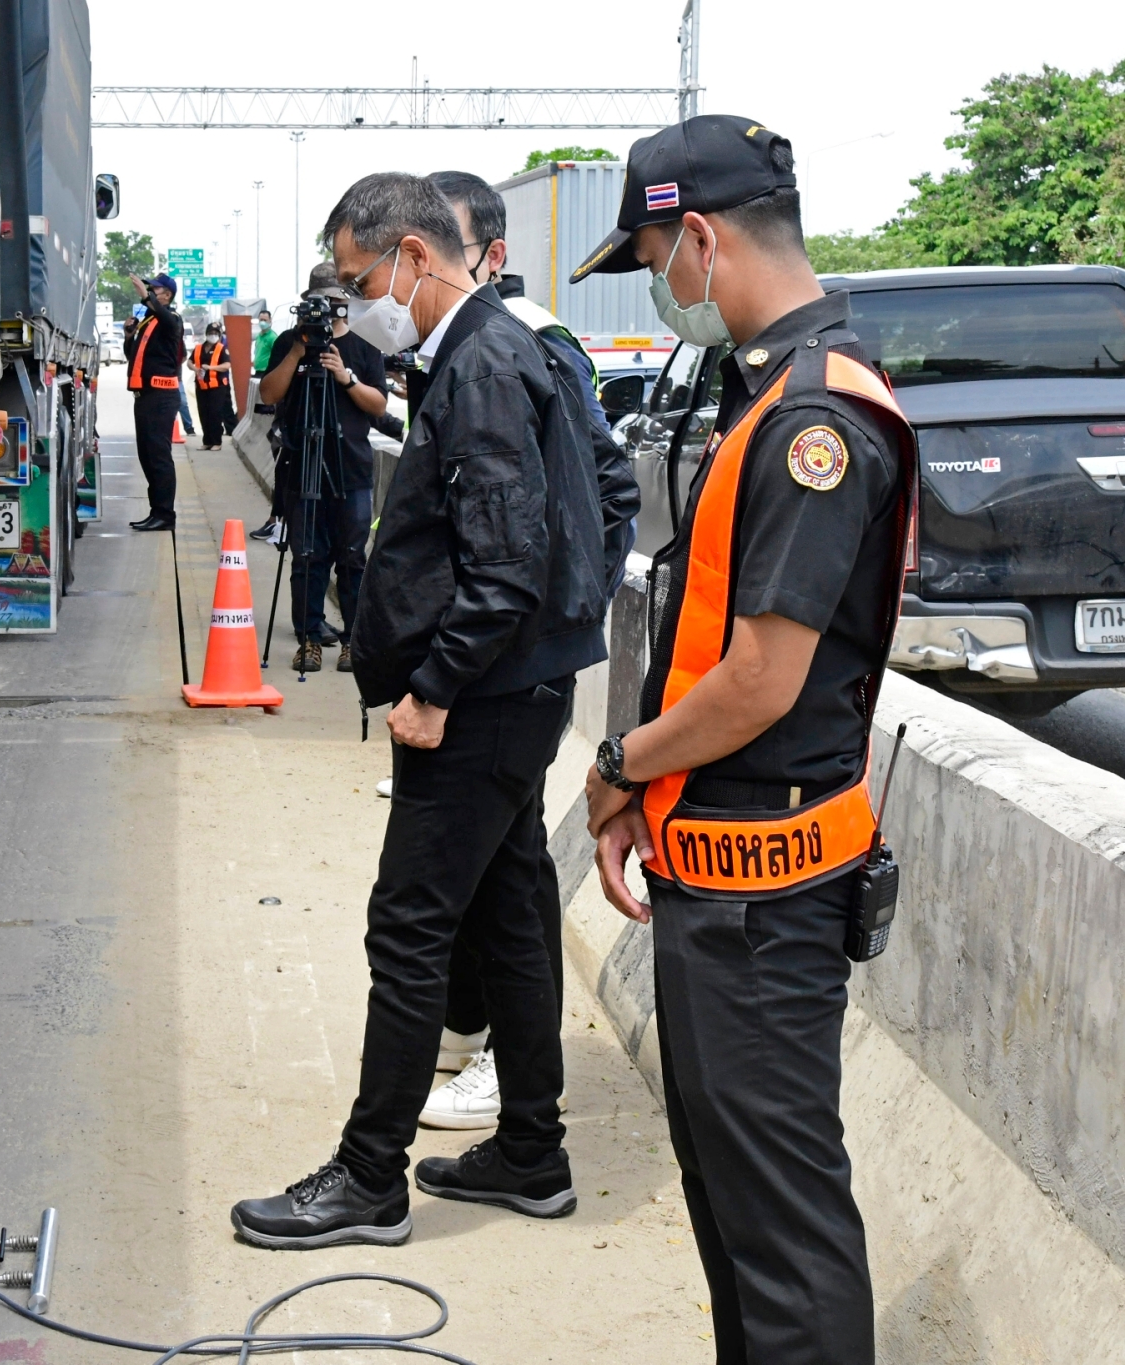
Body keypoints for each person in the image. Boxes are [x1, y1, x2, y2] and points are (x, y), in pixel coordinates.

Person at [229, 171, 635, 1250]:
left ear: (411, 257)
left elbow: (501, 567)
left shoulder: (484, 363)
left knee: (406, 928)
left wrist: (433, 688)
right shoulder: (489, 351)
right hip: (515, 686)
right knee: (507, 912)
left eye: (360, 279)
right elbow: (588, 503)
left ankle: (368, 1179)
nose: (359, 301)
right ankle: (530, 1153)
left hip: (481, 699)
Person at [580, 117, 913, 1365]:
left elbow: (760, 681)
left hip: (765, 895)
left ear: (702, 237)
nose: (663, 285)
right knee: (735, 1208)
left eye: (656, 254)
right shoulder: (772, 390)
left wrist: (618, 766)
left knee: (780, 1234)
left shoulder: (811, 421)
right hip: (719, 876)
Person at [413, 171, 635, 1134]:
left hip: (516, 661)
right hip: (485, 654)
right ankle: (470, 1026)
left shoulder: (532, 345)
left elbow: (605, 490)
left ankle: (510, 1062)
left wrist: (551, 624)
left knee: (510, 870)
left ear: (487, 256)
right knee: (494, 862)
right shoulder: (456, 346)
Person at [258, 263, 388, 673]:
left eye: (334, 303)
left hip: (350, 469)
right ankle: (309, 638)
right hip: (301, 467)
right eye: (319, 304)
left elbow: (379, 406)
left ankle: (352, 640)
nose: (328, 312)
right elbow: (267, 393)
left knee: (352, 558)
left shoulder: (365, 347)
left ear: (345, 304)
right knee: (307, 558)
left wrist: (345, 378)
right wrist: (298, 352)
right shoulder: (288, 343)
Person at [124, 273, 185, 531]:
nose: (150, 291)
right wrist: (129, 335)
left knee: (159, 457)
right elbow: (134, 356)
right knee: (147, 456)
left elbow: (168, 321)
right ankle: (155, 511)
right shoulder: (148, 321)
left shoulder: (171, 320)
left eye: (155, 289)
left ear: (167, 295)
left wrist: (146, 297)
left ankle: (165, 515)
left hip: (161, 397)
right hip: (145, 397)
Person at [189, 322, 236, 449]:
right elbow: (189, 361)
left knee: (215, 414)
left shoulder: (221, 349)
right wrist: (195, 369)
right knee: (204, 414)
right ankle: (207, 441)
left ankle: (216, 442)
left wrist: (211, 368)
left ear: (219, 335)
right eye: (211, 333)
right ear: (206, 334)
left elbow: (227, 365)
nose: (213, 335)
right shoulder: (198, 348)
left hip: (217, 387)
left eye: (215, 333)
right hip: (201, 386)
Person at [252, 308, 276, 375]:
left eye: (265, 320)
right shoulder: (258, 336)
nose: (262, 322)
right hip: (257, 371)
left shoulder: (272, 337)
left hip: (267, 372)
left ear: (270, 320)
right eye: (261, 320)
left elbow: (277, 355)